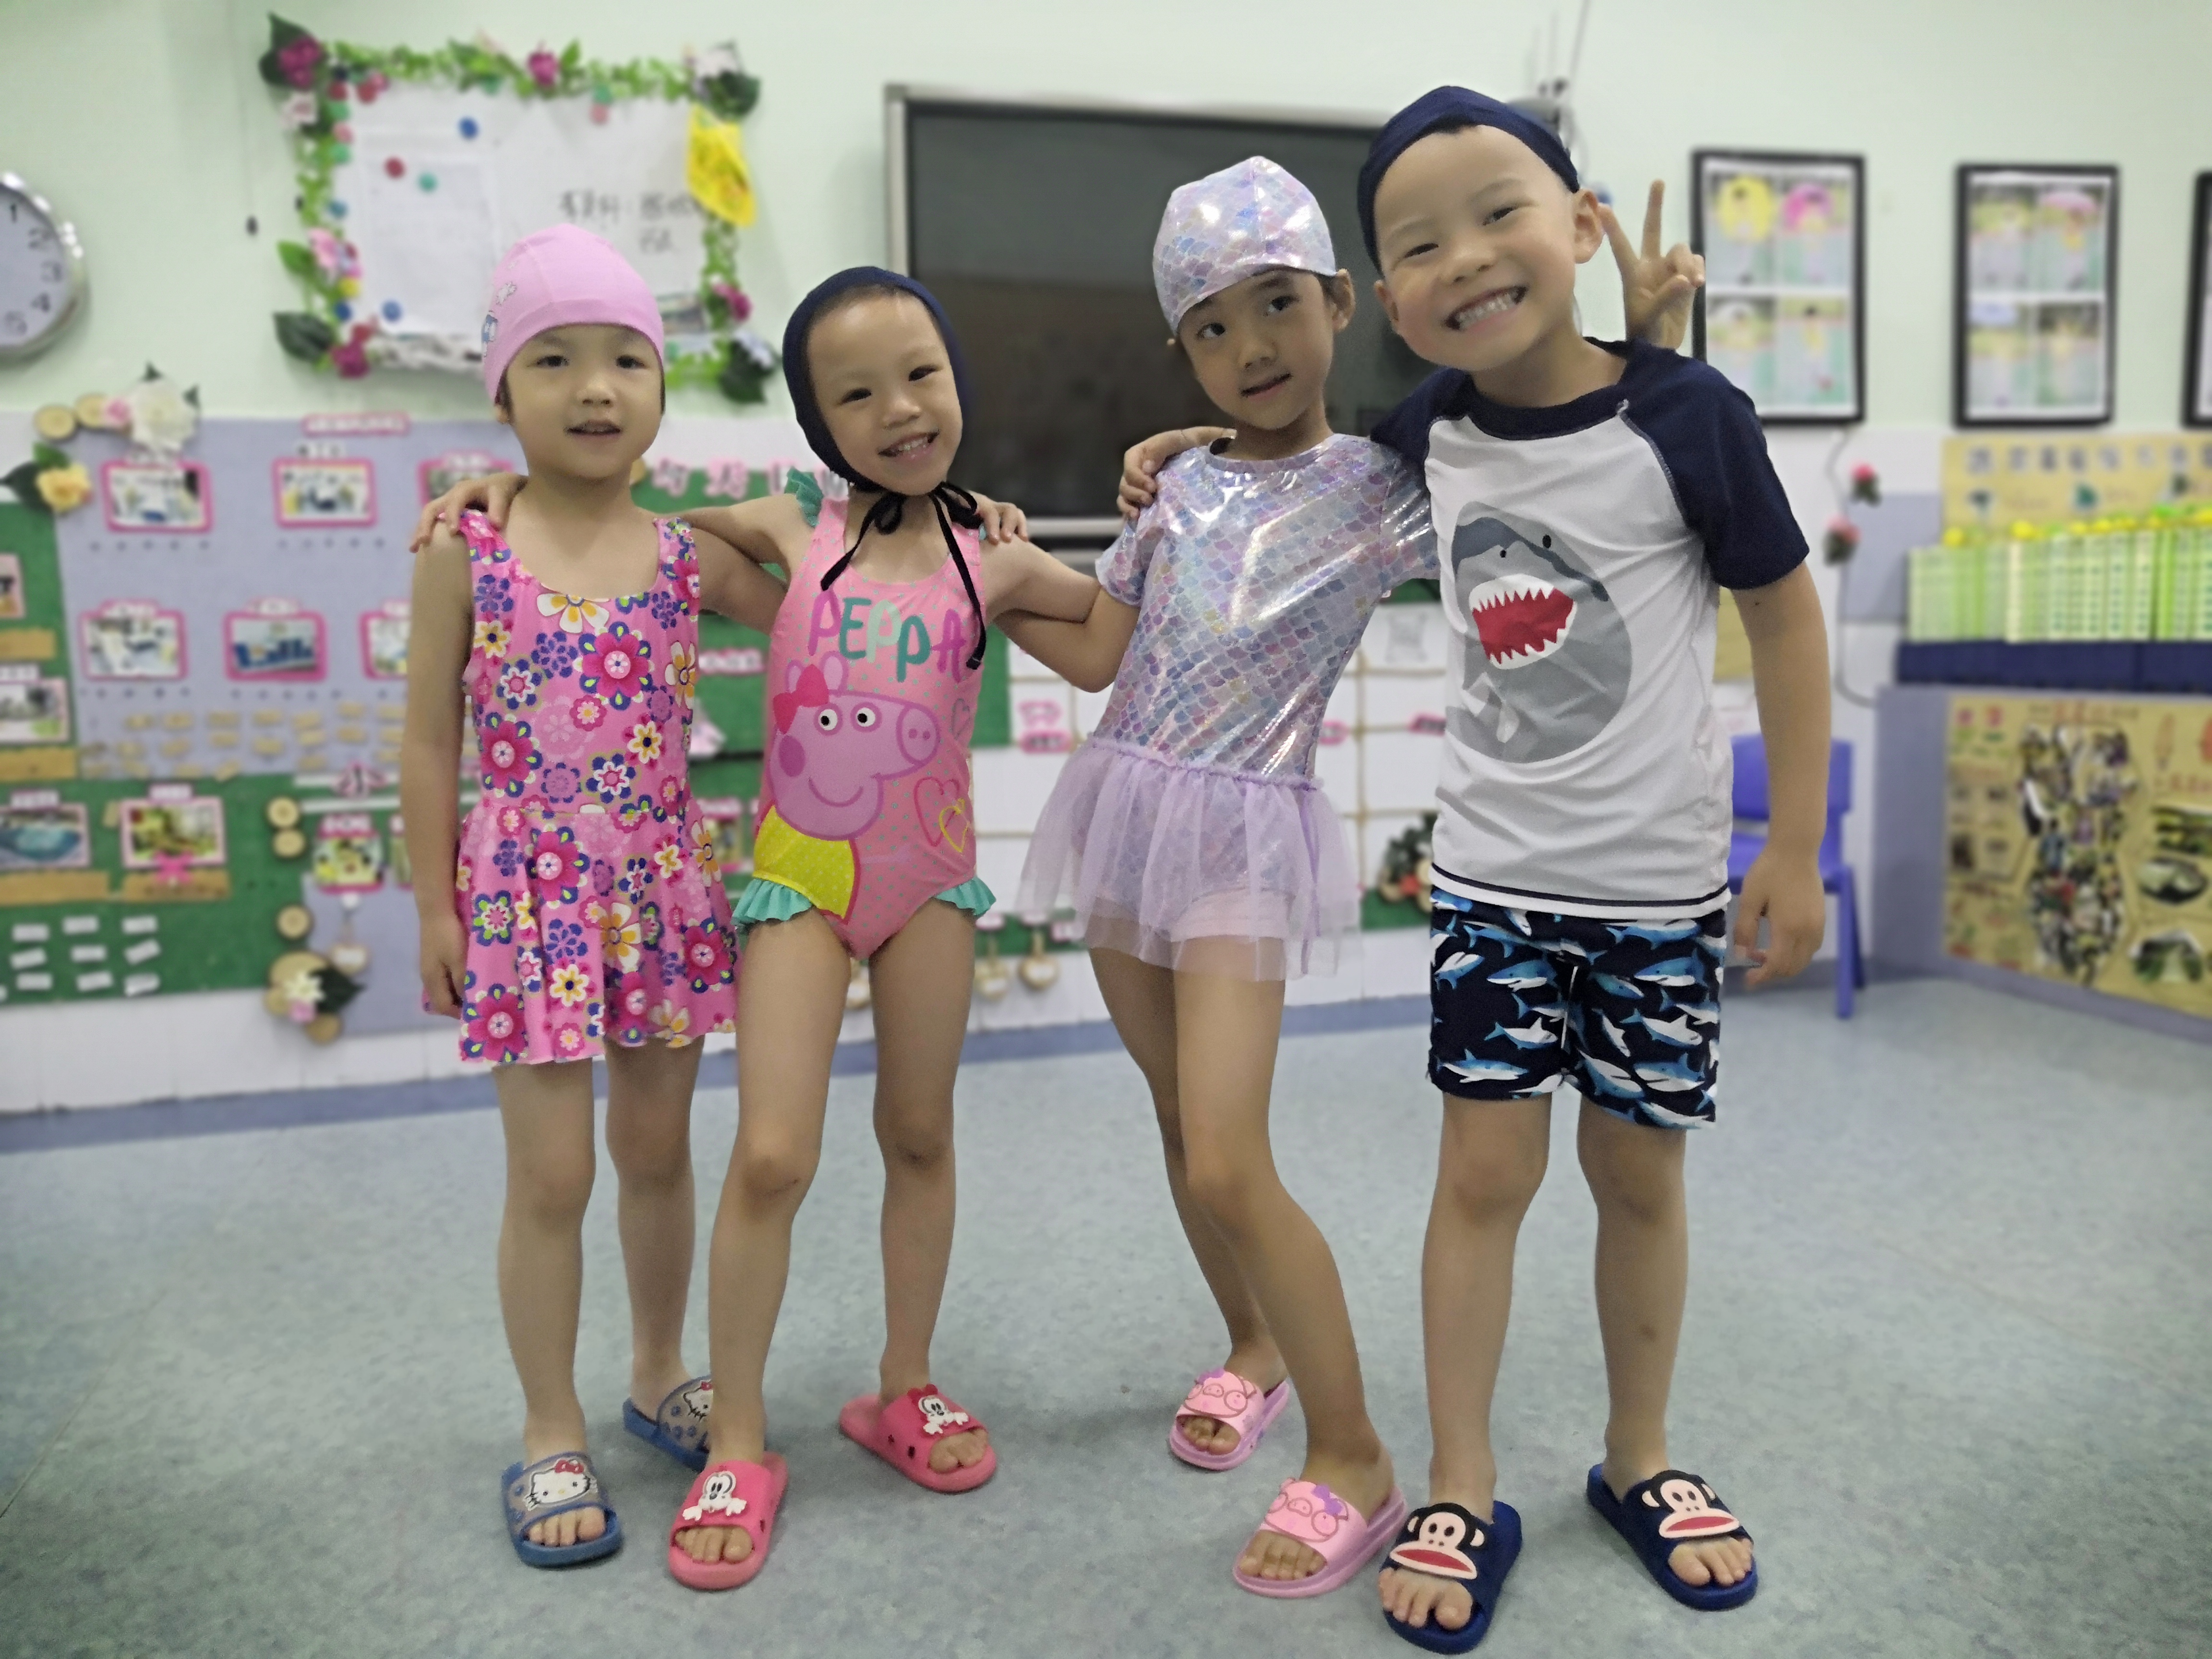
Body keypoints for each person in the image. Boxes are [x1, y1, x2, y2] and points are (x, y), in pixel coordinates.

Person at [1011, 156, 1698, 1600]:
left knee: (1225, 1153)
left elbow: (1556, 444)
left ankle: (1354, 1456)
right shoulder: (1177, 485)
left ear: (1340, 302)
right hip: (1124, 809)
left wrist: (1651, 350)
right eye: (1211, 326)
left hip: (1248, 837)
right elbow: (1097, 649)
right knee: (1177, 1121)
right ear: (1183, 351)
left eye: (1277, 305)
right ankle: (1254, 1346)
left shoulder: (1398, 484)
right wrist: (990, 576)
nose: (1250, 347)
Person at [1354, 88, 1829, 1647]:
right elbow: (1290, 480)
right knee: (1482, 1180)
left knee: (1640, 1178)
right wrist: (1178, 454)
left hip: (1659, 895)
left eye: (1501, 213)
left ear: (1580, 225)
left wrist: (1794, 845)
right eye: (1418, 244)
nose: (1467, 258)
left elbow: (1784, 619)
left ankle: (1640, 1460)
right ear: (1389, 297)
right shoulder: (1422, 435)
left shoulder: (1689, 416)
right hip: (1495, 888)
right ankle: (1460, 1481)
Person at [662, 268, 1097, 1589]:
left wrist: (1170, 499)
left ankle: (904, 1385)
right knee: (773, 1155)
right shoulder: (794, 528)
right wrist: (502, 496)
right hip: (799, 882)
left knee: (920, 1134)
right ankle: (740, 1438)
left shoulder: (993, 555)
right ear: (817, 423)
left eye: (922, 374)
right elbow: (644, 536)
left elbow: (1108, 646)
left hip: (930, 886)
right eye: (857, 395)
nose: (901, 409)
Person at [399, 225, 785, 1568]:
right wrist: (436, 910)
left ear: (662, 388)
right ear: (504, 391)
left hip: (658, 886)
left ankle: (658, 1371)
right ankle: (548, 1426)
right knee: (552, 1172)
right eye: (553, 359)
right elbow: (427, 741)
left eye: (628, 358)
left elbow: (826, 602)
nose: (595, 387)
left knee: (659, 1154)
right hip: (526, 901)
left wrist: (759, 519)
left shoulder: (684, 559)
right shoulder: (467, 546)